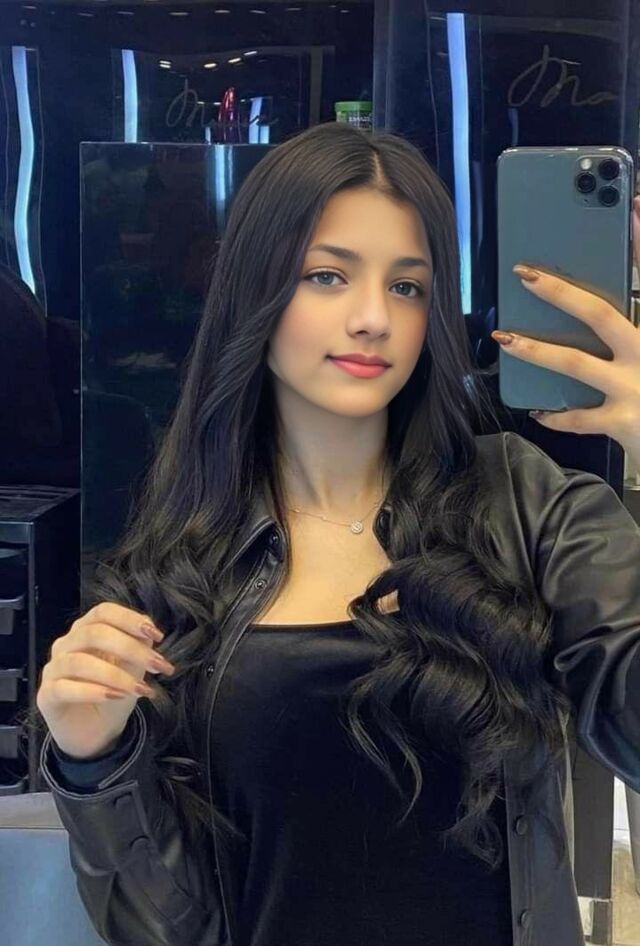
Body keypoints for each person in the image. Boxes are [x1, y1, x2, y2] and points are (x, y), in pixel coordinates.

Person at [34, 122, 640, 946]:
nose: (372, 318)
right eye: (327, 275)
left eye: (408, 286)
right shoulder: (177, 568)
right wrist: (92, 761)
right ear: (255, 287)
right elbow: (167, 929)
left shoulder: (524, 506)